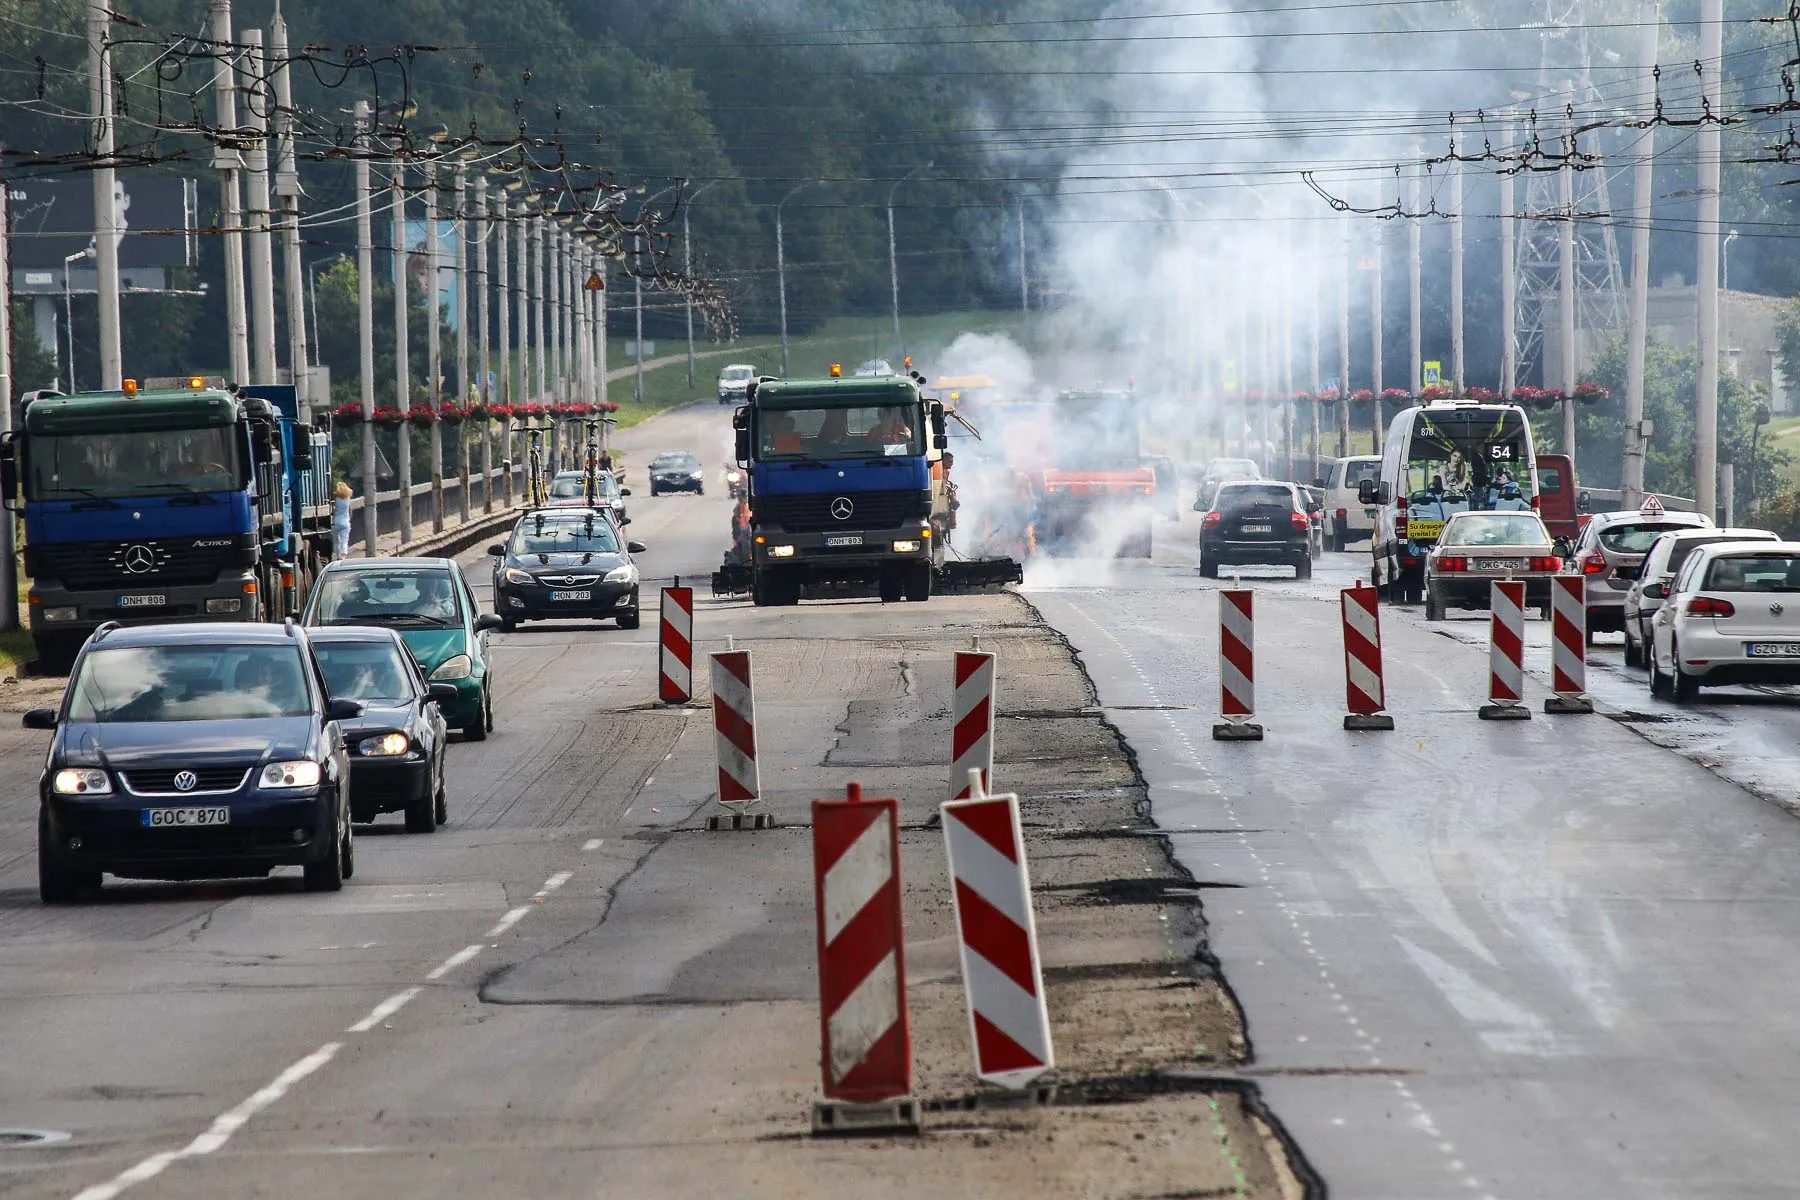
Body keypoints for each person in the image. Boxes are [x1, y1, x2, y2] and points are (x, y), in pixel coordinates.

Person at [332, 481, 353, 558]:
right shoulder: (348, 498)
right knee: (344, 540)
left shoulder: (336, 499)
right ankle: (343, 555)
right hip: (345, 523)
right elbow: (350, 511)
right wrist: (349, 518)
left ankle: (338, 556)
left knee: (336, 541)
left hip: (336, 522)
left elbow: (333, 510)